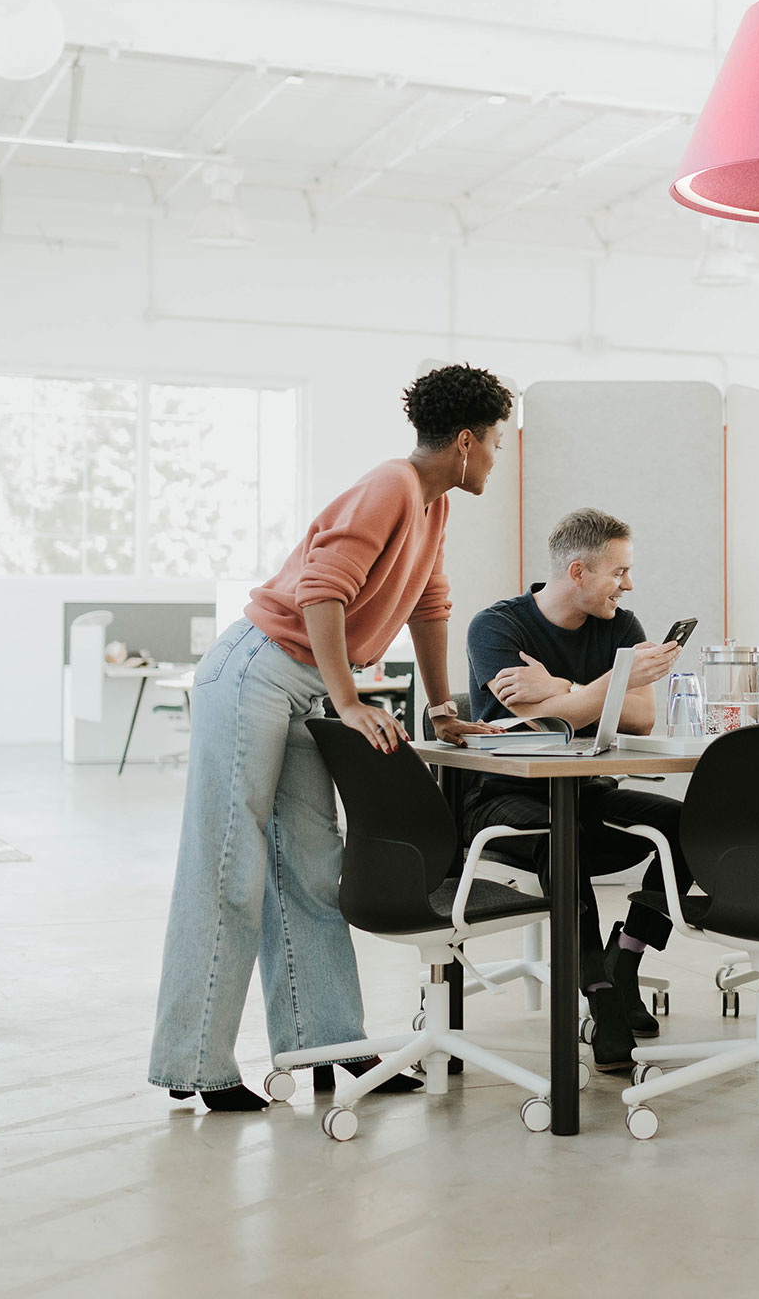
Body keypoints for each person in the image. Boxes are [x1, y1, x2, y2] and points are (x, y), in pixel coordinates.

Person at [147, 363, 511, 1111]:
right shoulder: (392, 486)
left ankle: (330, 1044)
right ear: (468, 442)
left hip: (303, 682)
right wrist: (348, 700)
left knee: (313, 868)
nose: (500, 459)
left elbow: (430, 605)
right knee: (231, 865)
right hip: (257, 671)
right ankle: (195, 1064)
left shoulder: (433, 507)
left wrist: (442, 706)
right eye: (499, 443)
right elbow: (321, 590)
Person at [463, 508, 688, 1071]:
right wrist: (609, 683)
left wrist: (561, 686)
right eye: (620, 572)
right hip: (504, 799)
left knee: (688, 825)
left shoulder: (622, 627)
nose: (629, 585)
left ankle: (626, 959)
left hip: (587, 792)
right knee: (562, 839)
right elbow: (536, 721)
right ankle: (599, 995)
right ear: (580, 571)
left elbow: (639, 718)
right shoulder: (496, 627)